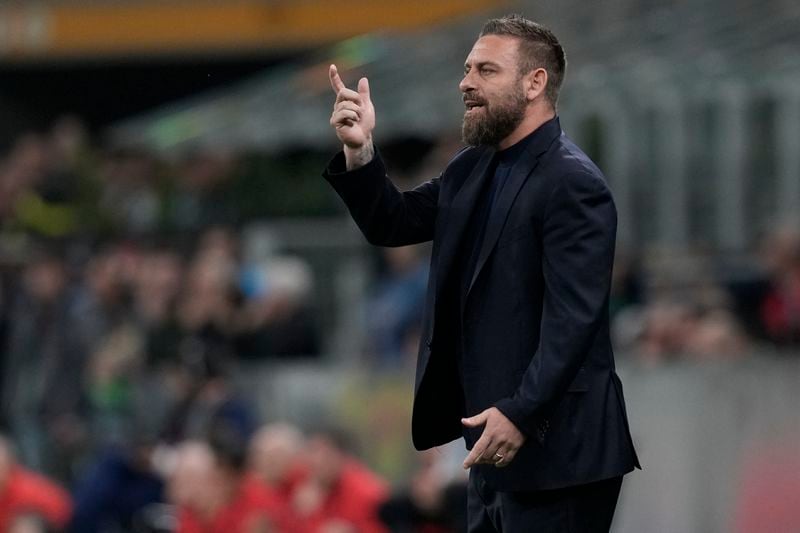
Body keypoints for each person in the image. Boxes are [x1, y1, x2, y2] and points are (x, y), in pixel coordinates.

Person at [323, 14, 639, 532]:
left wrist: (520, 411)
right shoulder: (472, 167)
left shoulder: (572, 182)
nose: (466, 82)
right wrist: (361, 153)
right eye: (468, 69)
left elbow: (574, 319)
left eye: (486, 70)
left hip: (558, 454)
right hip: (490, 454)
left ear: (534, 83)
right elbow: (393, 221)